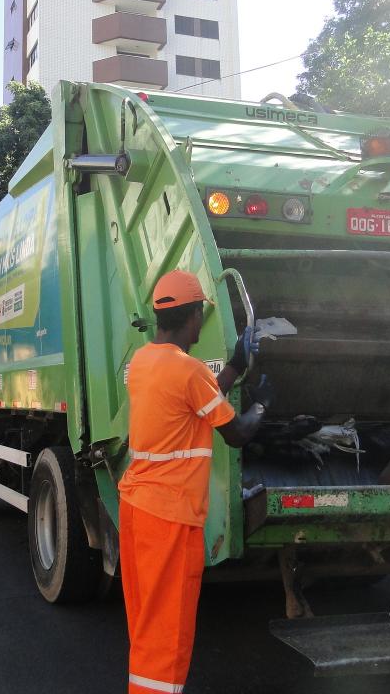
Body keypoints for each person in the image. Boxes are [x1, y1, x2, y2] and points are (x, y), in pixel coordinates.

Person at [118, 270, 272, 694]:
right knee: (168, 630)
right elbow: (236, 433)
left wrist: (237, 365)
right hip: (170, 515)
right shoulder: (188, 370)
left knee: (147, 621)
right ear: (196, 318)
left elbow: (198, 398)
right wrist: (260, 406)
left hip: (137, 507)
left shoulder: (143, 362)